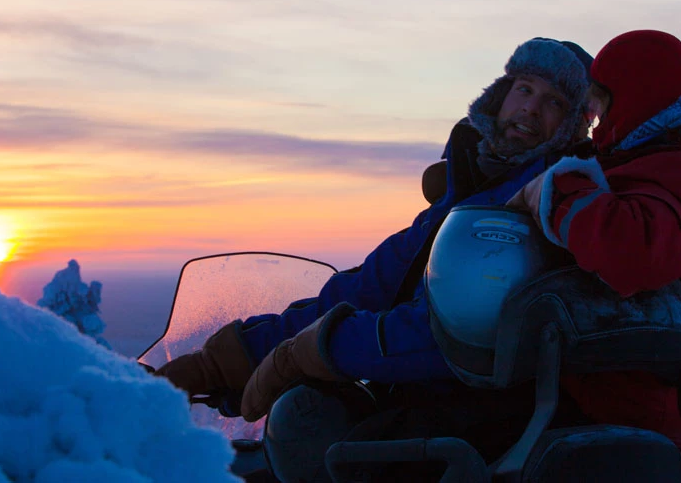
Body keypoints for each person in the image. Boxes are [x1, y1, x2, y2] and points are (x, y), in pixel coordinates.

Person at [156, 37, 593, 480]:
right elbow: (363, 288)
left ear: (572, 124)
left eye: (554, 101)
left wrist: (318, 349)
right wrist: (230, 360)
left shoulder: (527, 214)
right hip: (424, 404)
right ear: (501, 94)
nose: (531, 109)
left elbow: (447, 337)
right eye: (525, 88)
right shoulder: (462, 199)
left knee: (323, 448)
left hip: (480, 420)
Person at [508, 29, 681, 457]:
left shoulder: (679, 167)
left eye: (601, 104)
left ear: (637, 97)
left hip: (643, 418)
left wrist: (551, 191)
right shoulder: (659, 154)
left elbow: (629, 248)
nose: (595, 121)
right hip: (610, 394)